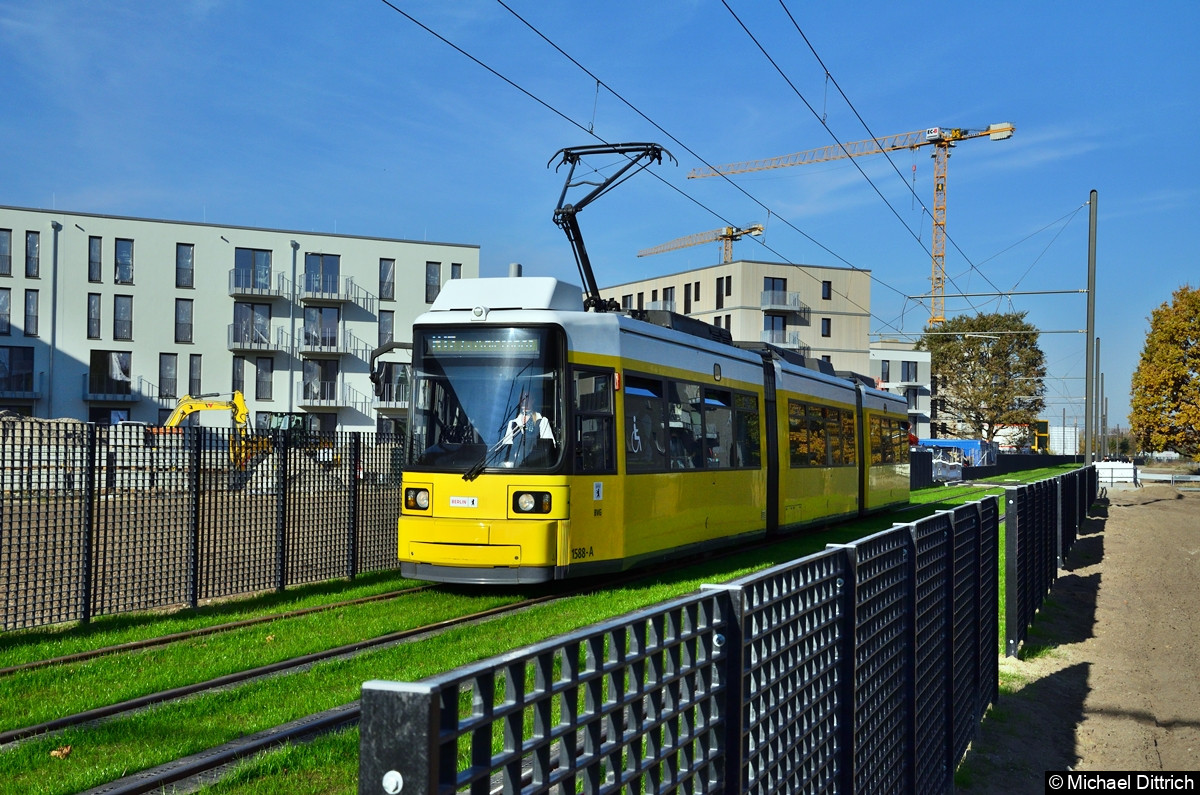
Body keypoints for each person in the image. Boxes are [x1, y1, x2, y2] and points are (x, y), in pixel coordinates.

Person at [500, 393, 554, 465]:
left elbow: (548, 448)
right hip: (515, 467)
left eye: (527, 397)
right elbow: (506, 449)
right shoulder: (513, 423)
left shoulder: (542, 421)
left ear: (533, 400)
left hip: (536, 467)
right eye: (521, 398)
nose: (524, 400)